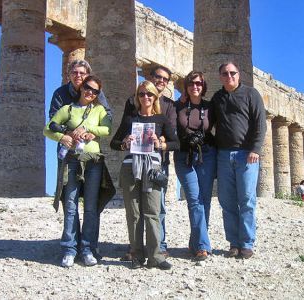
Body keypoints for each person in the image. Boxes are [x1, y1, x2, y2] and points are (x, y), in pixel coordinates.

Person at [44, 75, 112, 268]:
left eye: (95, 91)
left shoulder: (99, 110)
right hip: (72, 160)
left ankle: (88, 248)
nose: (90, 92)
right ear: (82, 88)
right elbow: (48, 129)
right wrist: (63, 137)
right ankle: (69, 249)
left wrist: (90, 130)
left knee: (91, 207)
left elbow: (107, 128)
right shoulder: (68, 109)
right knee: (71, 204)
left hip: (93, 161)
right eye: (88, 88)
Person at [110, 80, 179, 270]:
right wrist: (124, 142)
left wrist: (160, 144)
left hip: (153, 168)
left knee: (152, 212)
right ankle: (137, 255)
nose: (145, 97)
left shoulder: (161, 120)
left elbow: (176, 143)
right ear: (137, 97)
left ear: (155, 97)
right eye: (141, 94)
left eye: (149, 94)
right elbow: (113, 144)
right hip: (130, 167)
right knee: (133, 214)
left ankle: (156, 256)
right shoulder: (130, 119)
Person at [212, 61, 266, 259]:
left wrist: (256, 149)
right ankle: (233, 243)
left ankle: (247, 243)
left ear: (239, 74)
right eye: (225, 73)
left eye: (232, 73)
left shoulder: (252, 94)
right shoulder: (217, 98)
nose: (229, 76)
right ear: (220, 77)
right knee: (227, 202)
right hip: (224, 155)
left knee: (247, 200)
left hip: (246, 154)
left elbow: (260, 124)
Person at [173, 71, 216, 261]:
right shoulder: (178, 106)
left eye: (198, 83)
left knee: (204, 200)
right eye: (191, 83)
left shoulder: (210, 107)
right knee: (194, 199)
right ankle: (202, 246)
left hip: (206, 154)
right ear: (186, 86)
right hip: (184, 155)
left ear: (203, 85)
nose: (195, 86)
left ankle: (196, 242)